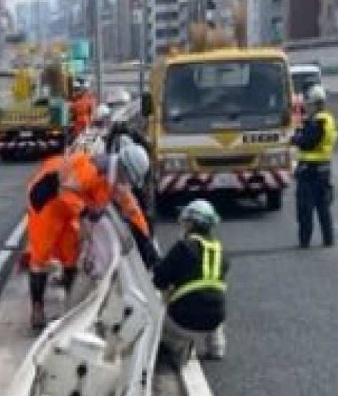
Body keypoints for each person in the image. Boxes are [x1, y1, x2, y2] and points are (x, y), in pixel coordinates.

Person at [26, 143, 153, 329]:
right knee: (40, 256)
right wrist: (85, 211)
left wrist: (145, 237)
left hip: (69, 209)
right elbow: (65, 191)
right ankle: (37, 309)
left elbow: (132, 211)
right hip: (46, 201)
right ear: (122, 167)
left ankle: (70, 308)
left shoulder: (117, 180)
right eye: (127, 178)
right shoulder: (92, 170)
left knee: (71, 254)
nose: (126, 184)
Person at [153, 199, 228, 363]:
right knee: (212, 295)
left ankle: (177, 346)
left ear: (192, 224)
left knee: (154, 309)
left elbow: (159, 280)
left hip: (184, 323)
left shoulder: (183, 247)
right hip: (215, 318)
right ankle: (217, 348)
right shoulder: (220, 250)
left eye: (186, 222)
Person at [291, 84, 337, 248]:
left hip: (310, 170)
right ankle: (328, 239)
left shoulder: (318, 121)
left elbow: (308, 143)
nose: (306, 107)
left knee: (305, 209)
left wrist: (296, 139)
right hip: (323, 168)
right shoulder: (327, 119)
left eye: (309, 104)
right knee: (323, 207)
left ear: (316, 104)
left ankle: (305, 241)